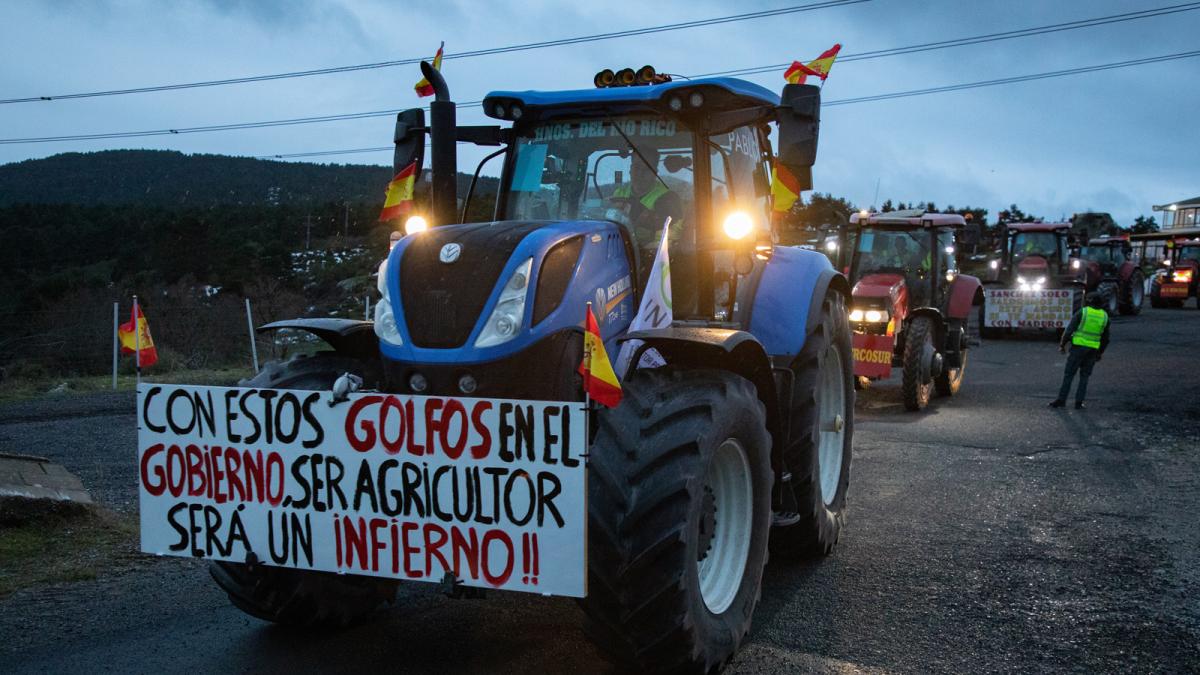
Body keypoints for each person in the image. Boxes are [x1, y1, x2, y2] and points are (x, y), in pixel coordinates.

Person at [1049, 291, 1111, 409]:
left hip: (1078, 348)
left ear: (1089, 301)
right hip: (1093, 350)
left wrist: (1062, 344)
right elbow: (1106, 338)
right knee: (1084, 376)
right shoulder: (1105, 316)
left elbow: (1069, 330)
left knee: (1069, 374)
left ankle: (1061, 400)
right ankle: (1079, 402)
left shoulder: (1083, 312)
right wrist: (1100, 353)